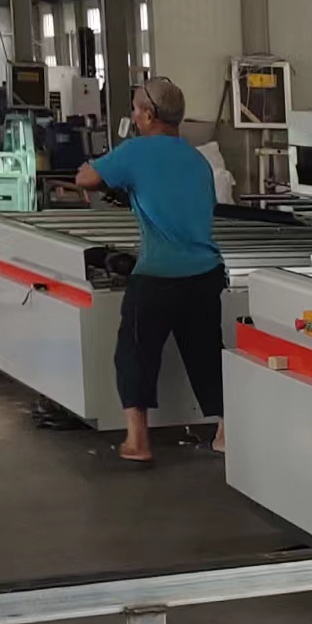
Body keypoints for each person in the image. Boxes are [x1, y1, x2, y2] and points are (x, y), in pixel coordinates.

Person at [74, 77, 225, 462]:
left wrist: (100, 169)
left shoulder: (135, 151)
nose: (133, 113)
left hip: (158, 274)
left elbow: (86, 179)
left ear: (147, 115)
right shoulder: (198, 160)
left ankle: (138, 440)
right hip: (205, 273)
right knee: (207, 354)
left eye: (136, 108)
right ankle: (226, 433)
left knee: (135, 352)